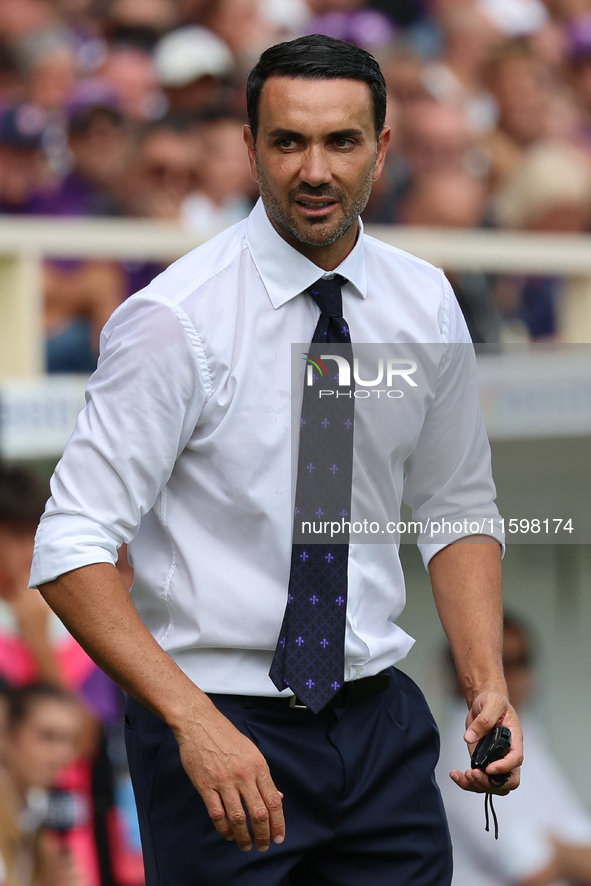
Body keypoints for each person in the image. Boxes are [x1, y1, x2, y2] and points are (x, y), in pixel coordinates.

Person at [30, 35, 523, 885]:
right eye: (288, 142)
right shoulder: (173, 319)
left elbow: (456, 507)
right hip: (217, 734)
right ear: (252, 147)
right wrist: (193, 722)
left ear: (382, 148)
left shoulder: (424, 299)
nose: (315, 170)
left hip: (382, 725)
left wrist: (484, 683)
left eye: (341, 141)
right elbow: (70, 547)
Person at [438, 615, 591, 886]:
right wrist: (566, 855)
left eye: (522, 661)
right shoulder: (466, 742)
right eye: (502, 664)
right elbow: (531, 868)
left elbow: (578, 833)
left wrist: (563, 855)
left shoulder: (527, 733)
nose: (514, 675)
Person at [0, 682, 82, 886]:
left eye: (68, 740)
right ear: (8, 736)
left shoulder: (33, 806)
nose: (62, 755)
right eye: (48, 737)